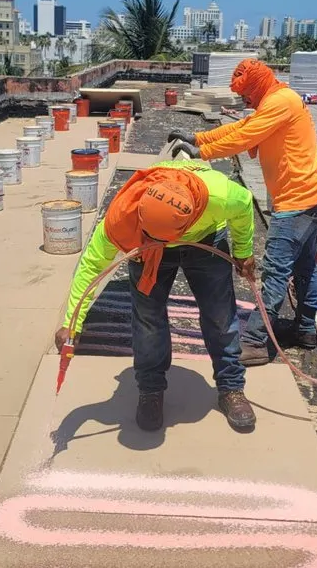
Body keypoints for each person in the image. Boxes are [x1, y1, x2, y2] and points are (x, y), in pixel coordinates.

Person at [54, 158, 258, 432]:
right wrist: (72, 322)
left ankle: (231, 387)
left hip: (206, 237)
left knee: (220, 314)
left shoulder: (220, 196)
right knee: (148, 320)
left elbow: (244, 204)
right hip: (146, 249)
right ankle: (150, 390)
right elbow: (91, 266)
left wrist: (244, 252)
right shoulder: (123, 214)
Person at [169, 58, 317, 366]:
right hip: (312, 197)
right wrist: (198, 138)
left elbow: (246, 137)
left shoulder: (281, 102)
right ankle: (306, 330)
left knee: (276, 273)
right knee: (305, 266)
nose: (244, 101)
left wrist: (202, 152)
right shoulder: (275, 99)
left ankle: (255, 342)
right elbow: (243, 126)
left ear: (257, 86)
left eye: (246, 94)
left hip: (297, 202)